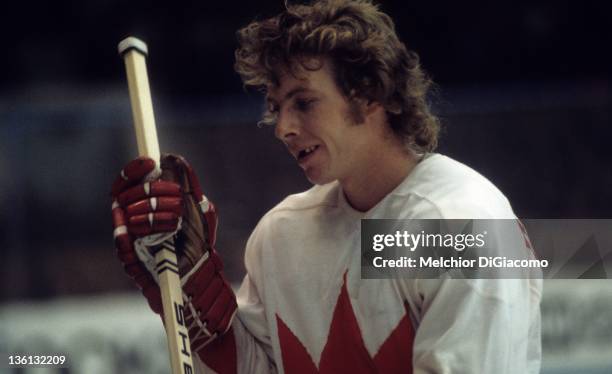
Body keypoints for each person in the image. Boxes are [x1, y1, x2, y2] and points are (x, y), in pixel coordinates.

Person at [111, 0, 542, 373]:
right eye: (276, 107)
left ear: (370, 93)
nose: (282, 128)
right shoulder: (281, 236)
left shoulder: (461, 223)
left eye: (304, 102)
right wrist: (191, 294)